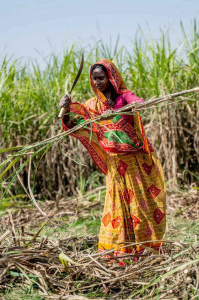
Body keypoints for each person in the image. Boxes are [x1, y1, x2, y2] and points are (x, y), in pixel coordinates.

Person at [60, 59, 166, 262]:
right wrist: (65, 110)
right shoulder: (93, 105)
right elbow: (77, 123)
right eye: (94, 78)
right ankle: (120, 250)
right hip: (115, 164)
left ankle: (144, 249)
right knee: (117, 206)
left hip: (134, 162)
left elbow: (140, 103)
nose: (97, 82)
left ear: (111, 78)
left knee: (139, 205)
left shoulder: (123, 97)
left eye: (101, 78)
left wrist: (118, 112)